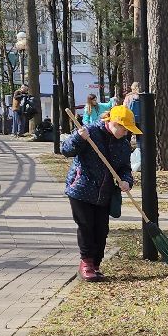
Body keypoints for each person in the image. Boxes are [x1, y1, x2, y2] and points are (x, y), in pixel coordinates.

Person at [61, 103, 139, 282]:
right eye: (125, 129)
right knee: (86, 226)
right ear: (114, 123)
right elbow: (66, 150)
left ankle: (96, 264)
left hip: (104, 192)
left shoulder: (123, 145)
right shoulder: (89, 132)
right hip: (81, 188)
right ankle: (86, 264)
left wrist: (126, 180)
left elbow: (124, 168)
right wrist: (78, 139)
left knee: (102, 230)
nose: (127, 133)